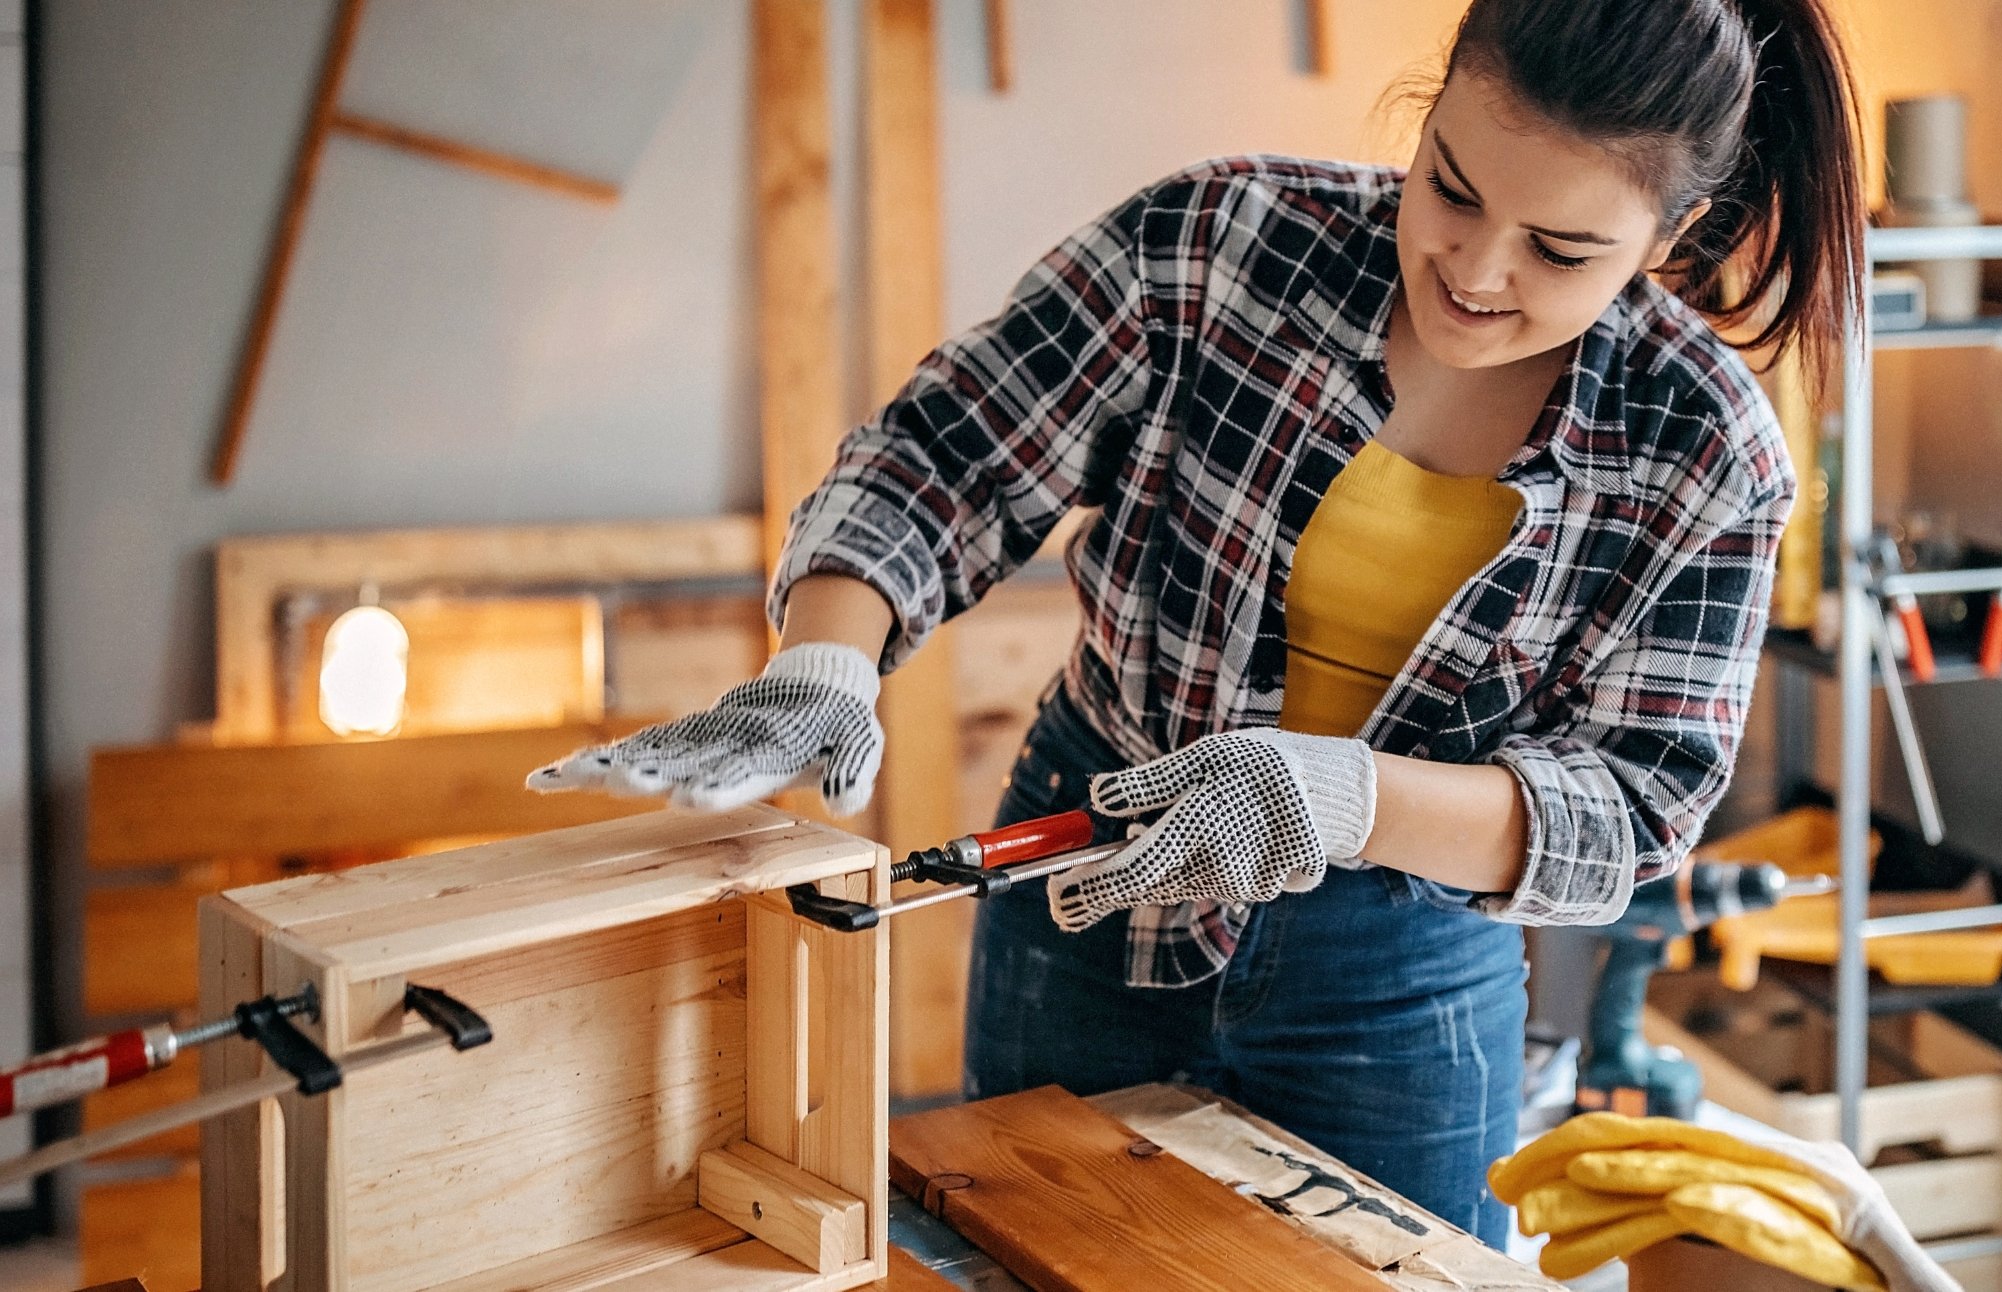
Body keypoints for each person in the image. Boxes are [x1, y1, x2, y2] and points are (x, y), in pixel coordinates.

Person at [531, 0, 1860, 1245]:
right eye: (1450, 184)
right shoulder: (1221, 242)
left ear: (1670, 243)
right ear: (1435, 103)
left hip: (1399, 970)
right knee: (1039, 1259)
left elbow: (1629, 813)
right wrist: (825, 655)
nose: (1475, 265)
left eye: (1563, 250)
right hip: (1093, 872)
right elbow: (945, 458)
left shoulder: (1708, 454)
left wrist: (1336, 796)